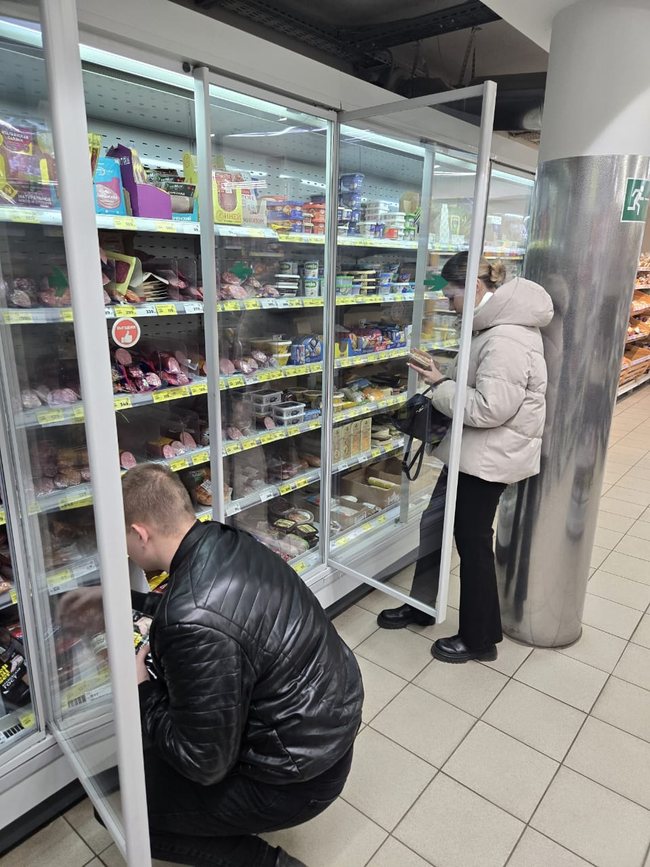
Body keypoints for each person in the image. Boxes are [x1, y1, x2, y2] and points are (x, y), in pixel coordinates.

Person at [119, 464, 363, 866]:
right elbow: (219, 611)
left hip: (297, 779)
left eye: (124, 540)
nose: (125, 551)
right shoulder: (226, 541)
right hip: (326, 735)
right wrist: (132, 603)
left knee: (124, 813)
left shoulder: (190, 617)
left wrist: (143, 690)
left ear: (140, 533)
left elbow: (203, 763)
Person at [378, 252, 553, 663]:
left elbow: (491, 408)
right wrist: (443, 375)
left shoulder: (505, 337)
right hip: (470, 452)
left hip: (489, 458)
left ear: (474, 287)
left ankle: (480, 639)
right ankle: (422, 605)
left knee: (472, 541)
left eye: (452, 296)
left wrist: (441, 386)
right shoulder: (489, 327)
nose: (450, 305)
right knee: (435, 525)